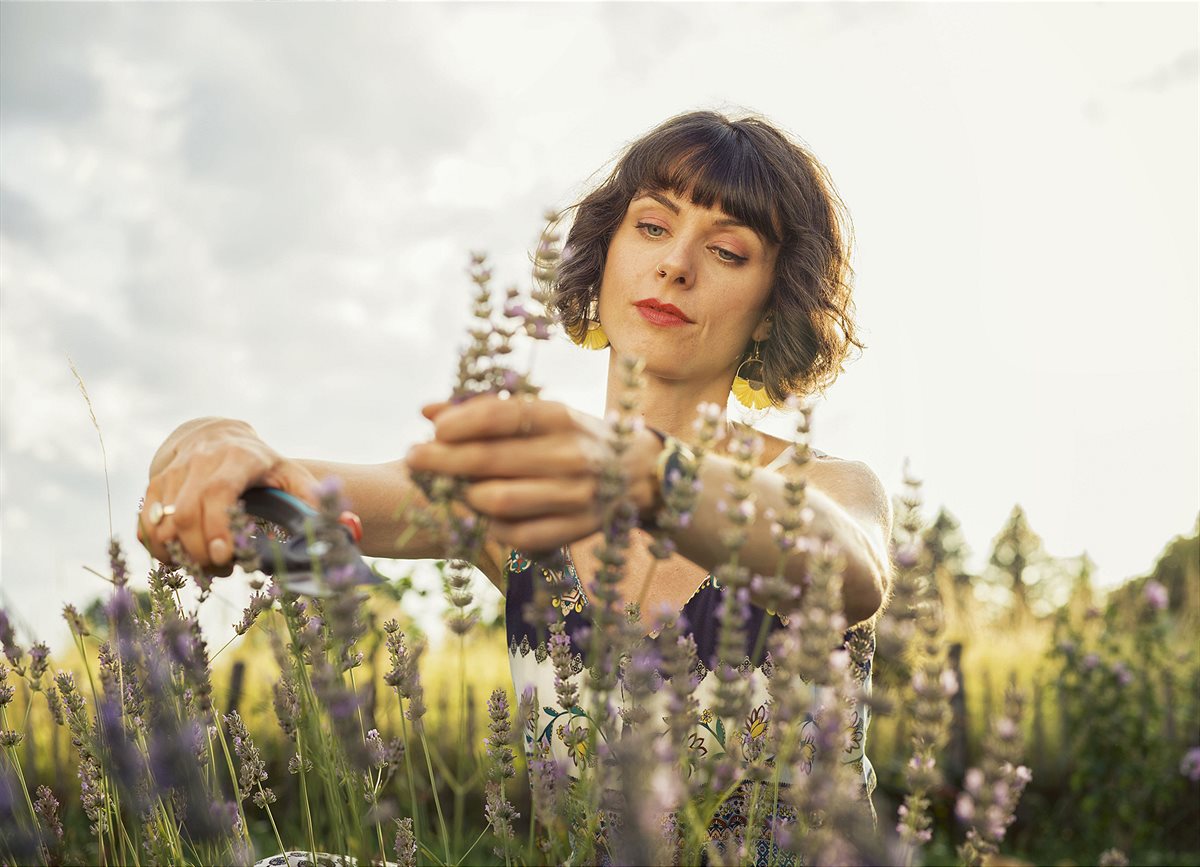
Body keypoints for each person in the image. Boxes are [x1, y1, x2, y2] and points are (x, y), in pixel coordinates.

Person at [139, 110, 893, 862]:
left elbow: (846, 569)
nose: (676, 264)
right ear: (605, 257)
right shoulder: (514, 503)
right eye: (653, 228)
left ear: (770, 310)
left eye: (727, 250)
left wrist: (640, 467)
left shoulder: (823, 487)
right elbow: (300, 488)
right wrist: (214, 442)